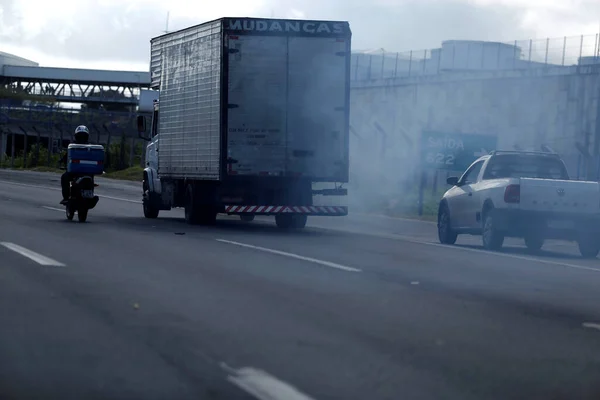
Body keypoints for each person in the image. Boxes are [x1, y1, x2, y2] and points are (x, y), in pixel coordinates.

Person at [59, 125, 90, 205]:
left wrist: (62, 161)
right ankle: (67, 197)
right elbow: (66, 157)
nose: (82, 138)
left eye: (83, 136)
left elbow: (66, 158)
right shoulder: (89, 148)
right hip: (85, 172)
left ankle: (66, 198)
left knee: (64, 177)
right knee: (65, 177)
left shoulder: (74, 147)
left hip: (79, 172)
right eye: (80, 136)